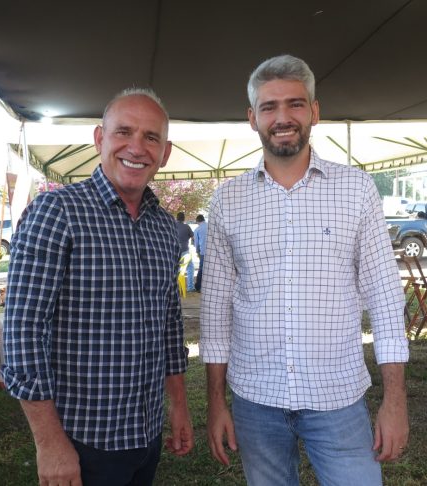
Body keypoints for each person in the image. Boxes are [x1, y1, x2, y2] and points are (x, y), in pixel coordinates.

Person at [200, 55, 409, 486]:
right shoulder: (227, 201)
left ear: (314, 111)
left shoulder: (356, 189)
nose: (282, 118)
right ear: (252, 118)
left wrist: (395, 401)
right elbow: (216, 309)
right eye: (269, 107)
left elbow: (386, 297)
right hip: (256, 399)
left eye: (295, 104)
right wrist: (216, 403)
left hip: (338, 396)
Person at [1, 88, 193, 486]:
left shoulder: (163, 227)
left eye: (151, 137)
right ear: (99, 139)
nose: (136, 147)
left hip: (146, 434)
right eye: (123, 131)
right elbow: (23, 331)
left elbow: (169, 323)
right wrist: (49, 442)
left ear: (165, 153)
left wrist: (178, 405)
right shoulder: (58, 212)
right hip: (82, 440)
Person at [175, 211, 195, 292]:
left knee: (175, 269)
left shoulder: (172, 225)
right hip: (185, 252)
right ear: (184, 219)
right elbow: (193, 237)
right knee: (190, 267)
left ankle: (175, 288)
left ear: (176, 218)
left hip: (174, 252)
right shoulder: (187, 226)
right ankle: (190, 287)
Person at [193, 214, 207, 290]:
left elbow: (196, 243)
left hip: (203, 252)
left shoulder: (197, 229)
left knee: (201, 269)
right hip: (213, 251)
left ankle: (198, 286)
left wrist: (197, 251)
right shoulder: (211, 226)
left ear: (197, 221)